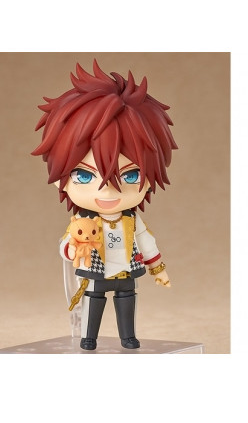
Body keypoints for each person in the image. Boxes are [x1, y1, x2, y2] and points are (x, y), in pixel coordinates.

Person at [32, 60, 177, 350]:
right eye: (85, 175)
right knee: (93, 301)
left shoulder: (132, 221)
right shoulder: (82, 222)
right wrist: (74, 249)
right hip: (96, 272)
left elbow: (147, 243)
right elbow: (66, 244)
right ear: (61, 179)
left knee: (126, 301)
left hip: (126, 272)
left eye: (131, 175)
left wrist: (158, 269)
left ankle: (127, 336)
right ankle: (89, 337)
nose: (108, 189)